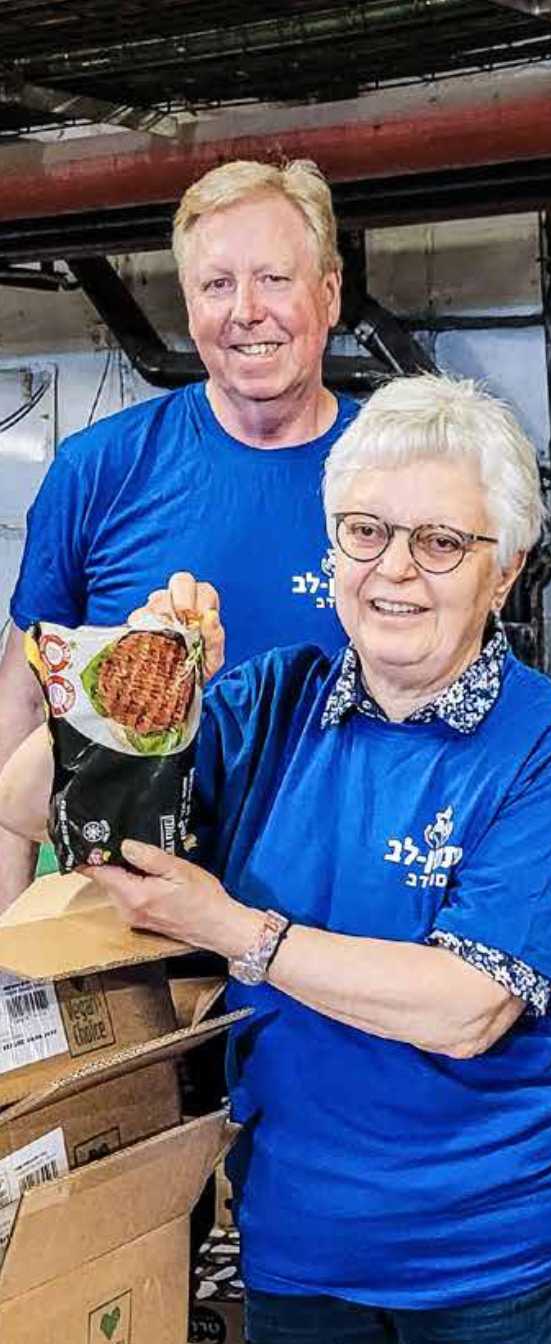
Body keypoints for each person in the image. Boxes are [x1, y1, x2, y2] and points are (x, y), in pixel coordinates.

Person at [0, 374, 551, 1342]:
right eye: (366, 531)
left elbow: (466, 1009)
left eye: (440, 542)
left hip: (502, 1251)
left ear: (507, 568)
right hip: (300, 1241)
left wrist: (234, 932)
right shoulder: (271, 699)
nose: (395, 569)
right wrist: (139, 672)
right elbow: (24, 800)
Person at [0, 158, 357, 905]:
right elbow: (22, 709)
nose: (245, 311)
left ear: (329, 293)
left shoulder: (396, 477)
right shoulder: (100, 470)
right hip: (131, 919)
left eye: (274, 279)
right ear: (190, 306)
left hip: (339, 916)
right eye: (217, 285)